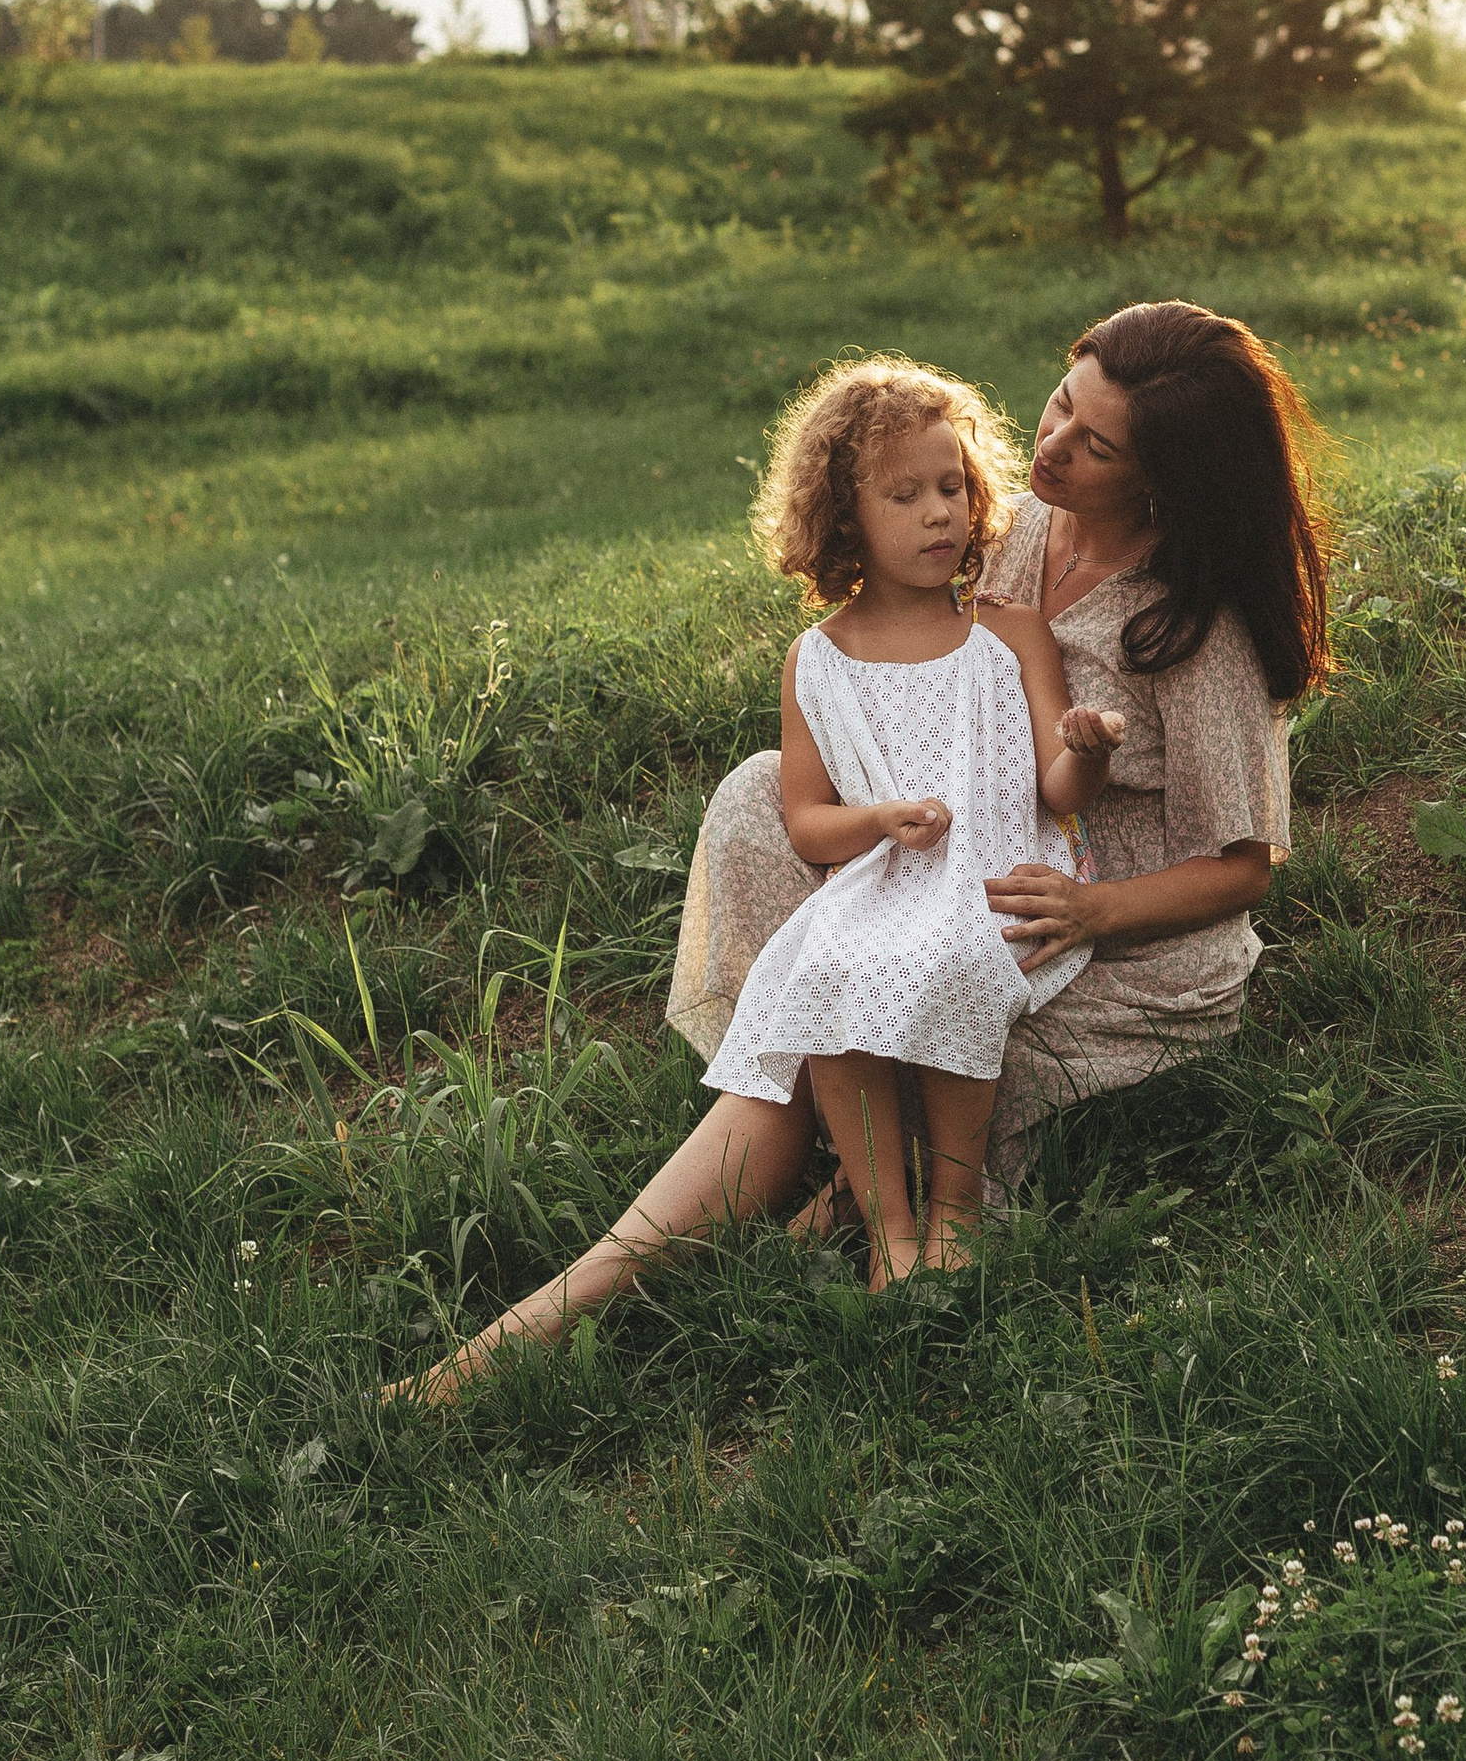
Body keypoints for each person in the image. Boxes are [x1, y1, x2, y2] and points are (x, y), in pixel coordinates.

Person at [398, 300, 1327, 1401]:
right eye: (1060, 403)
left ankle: (570, 1310)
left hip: (1109, 938)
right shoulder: (1023, 524)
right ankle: (839, 1150)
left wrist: (1093, 911)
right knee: (761, 802)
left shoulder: (1192, 622)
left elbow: (1245, 867)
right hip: (959, 866)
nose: (1051, 447)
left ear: (1168, 476)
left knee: (894, 991)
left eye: (1097, 445)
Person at [698, 357, 1124, 1280]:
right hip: (886, 881)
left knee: (960, 956)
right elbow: (809, 823)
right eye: (905, 497)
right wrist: (882, 819)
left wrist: (1086, 752)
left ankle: (954, 1211)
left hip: (999, 876)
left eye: (951, 487)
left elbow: (1059, 791)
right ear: (845, 517)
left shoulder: (1009, 634)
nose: (939, 513)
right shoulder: (820, 660)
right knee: (828, 969)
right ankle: (888, 1226)